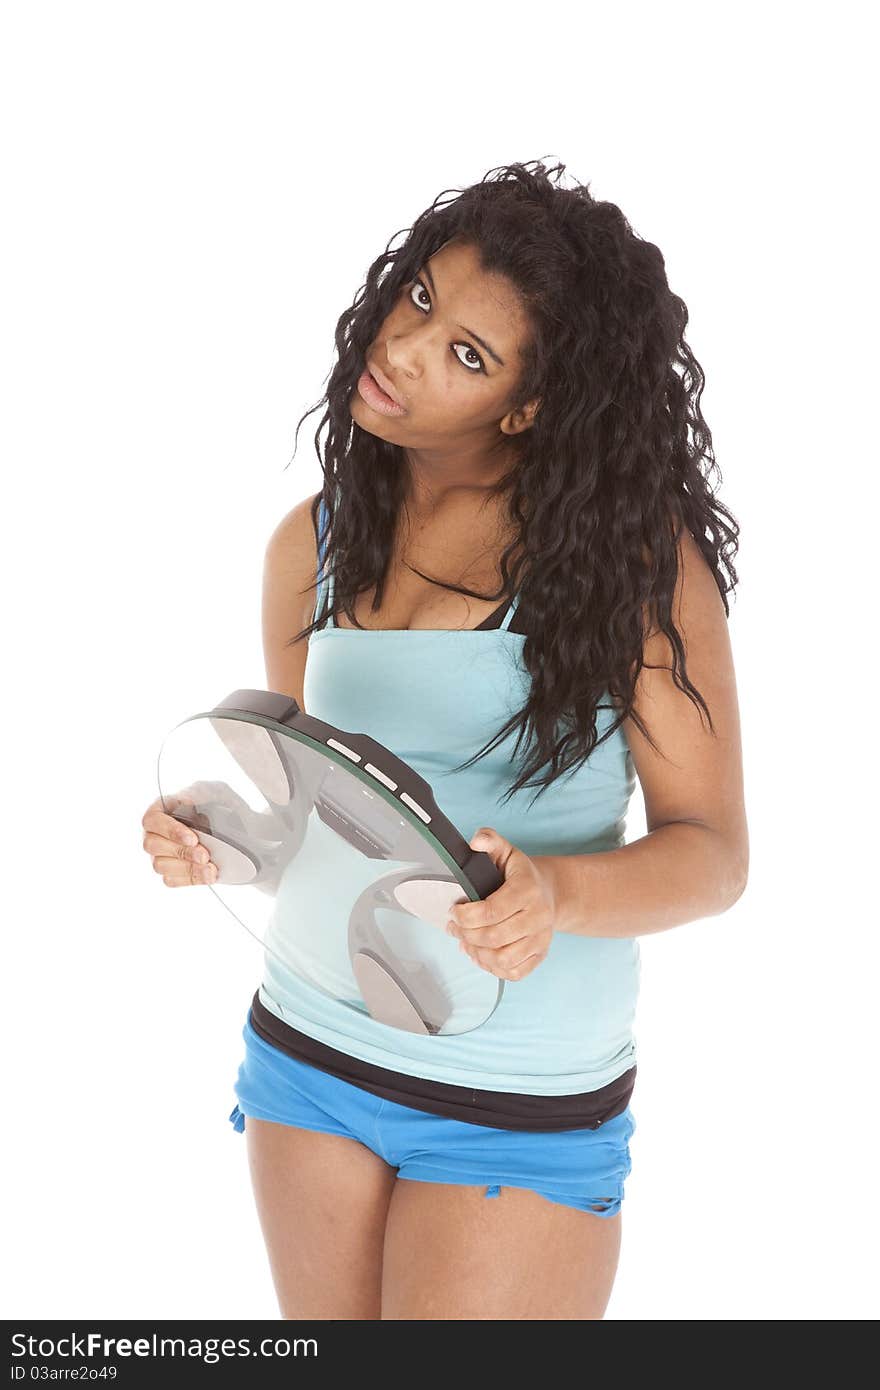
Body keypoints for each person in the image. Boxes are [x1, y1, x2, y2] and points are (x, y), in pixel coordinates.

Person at [141, 159, 748, 1320]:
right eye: (418, 298)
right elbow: (324, 814)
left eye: (468, 353)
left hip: (516, 1095)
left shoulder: (630, 570)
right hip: (308, 1051)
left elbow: (714, 852)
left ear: (526, 406)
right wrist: (218, 840)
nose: (406, 347)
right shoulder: (310, 542)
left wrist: (554, 895)